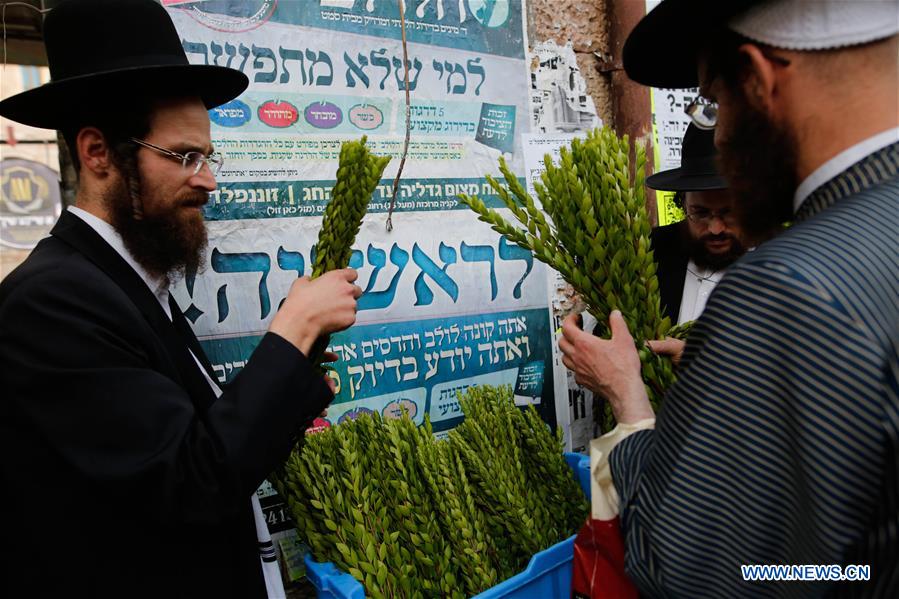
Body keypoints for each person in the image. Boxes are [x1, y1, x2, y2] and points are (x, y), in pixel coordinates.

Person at [0, 1, 361, 597]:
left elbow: (203, 440)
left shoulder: (127, 282)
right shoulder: (50, 304)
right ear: (97, 154)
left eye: (208, 156)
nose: (208, 179)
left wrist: (299, 374)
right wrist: (291, 331)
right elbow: (190, 482)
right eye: (184, 156)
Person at [559, 0, 898, 596]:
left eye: (712, 101)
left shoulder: (790, 286)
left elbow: (705, 571)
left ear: (759, 81)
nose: (720, 133)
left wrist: (631, 404)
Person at [647, 123, 752, 325]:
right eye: (700, 213)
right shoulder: (651, 250)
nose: (715, 229)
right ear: (683, 204)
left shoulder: (785, 263)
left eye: (729, 213)